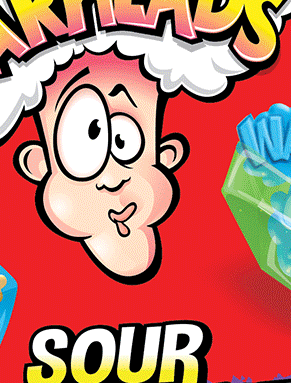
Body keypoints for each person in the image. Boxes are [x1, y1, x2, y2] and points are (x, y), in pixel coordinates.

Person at [14, 50, 188, 283]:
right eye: (82, 147)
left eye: (123, 141)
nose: (112, 181)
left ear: (166, 156)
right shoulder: (41, 270)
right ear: (41, 166)